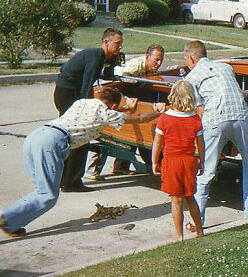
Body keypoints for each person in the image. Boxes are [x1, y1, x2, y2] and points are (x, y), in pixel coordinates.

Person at [0, 88, 164, 238]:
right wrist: (158, 112)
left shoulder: (83, 102)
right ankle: (5, 218)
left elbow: (107, 114)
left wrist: (125, 108)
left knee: (40, 192)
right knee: (47, 196)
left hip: (36, 136)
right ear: (113, 105)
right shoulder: (105, 114)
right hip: (51, 143)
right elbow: (139, 117)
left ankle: (12, 223)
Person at [183, 40, 248, 229]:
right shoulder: (226, 67)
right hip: (242, 116)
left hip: (216, 119)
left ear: (191, 58)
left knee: (206, 172)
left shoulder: (191, 78)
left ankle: (196, 221)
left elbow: (199, 110)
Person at [53, 28, 124, 192]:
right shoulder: (95, 58)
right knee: (80, 136)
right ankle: (71, 182)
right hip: (68, 94)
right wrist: (91, 111)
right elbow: (87, 89)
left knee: (71, 136)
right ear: (106, 42)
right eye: (118, 43)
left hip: (64, 91)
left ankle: (64, 179)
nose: (120, 47)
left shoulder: (97, 56)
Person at [87, 44, 166, 179]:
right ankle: (92, 170)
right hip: (118, 98)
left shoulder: (149, 68)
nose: (159, 64)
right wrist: (126, 101)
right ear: (148, 57)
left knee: (131, 133)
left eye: (161, 60)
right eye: (156, 60)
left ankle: (120, 167)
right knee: (107, 133)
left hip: (131, 96)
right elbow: (119, 82)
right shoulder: (133, 68)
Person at [151, 80, 205, 242]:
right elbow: (200, 143)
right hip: (189, 161)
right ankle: (199, 230)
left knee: (176, 200)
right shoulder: (195, 119)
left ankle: (179, 235)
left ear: (172, 96)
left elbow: (158, 143)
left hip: (172, 161)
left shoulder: (165, 118)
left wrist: (154, 161)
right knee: (190, 197)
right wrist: (202, 161)